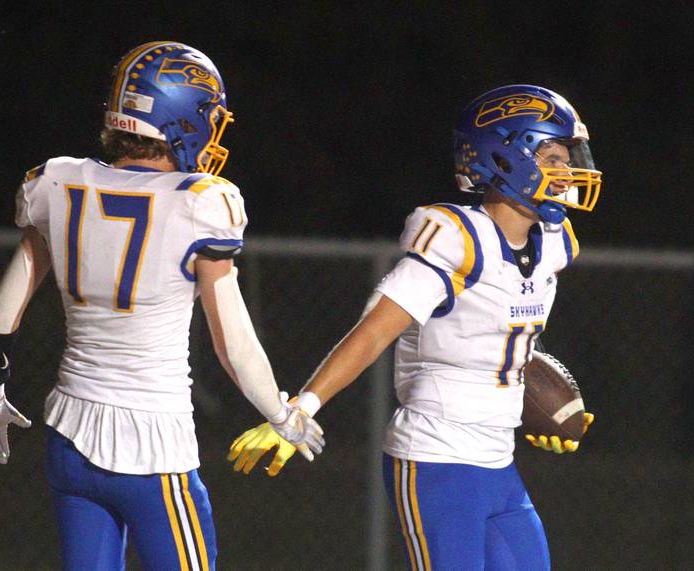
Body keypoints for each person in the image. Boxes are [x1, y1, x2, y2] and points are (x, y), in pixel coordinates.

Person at [0, 41, 324, 571]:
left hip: (69, 436)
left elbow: (2, 312)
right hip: (153, 450)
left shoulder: (59, 182)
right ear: (181, 118)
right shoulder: (201, 202)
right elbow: (234, 344)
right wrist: (281, 414)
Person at [228, 84, 599, 570]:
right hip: (436, 458)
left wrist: (537, 406)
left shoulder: (552, 243)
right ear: (507, 159)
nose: (567, 169)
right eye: (552, 154)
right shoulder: (456, 239)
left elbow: (507, 334)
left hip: (498, 459)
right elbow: (374, 332)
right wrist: (301, 407)